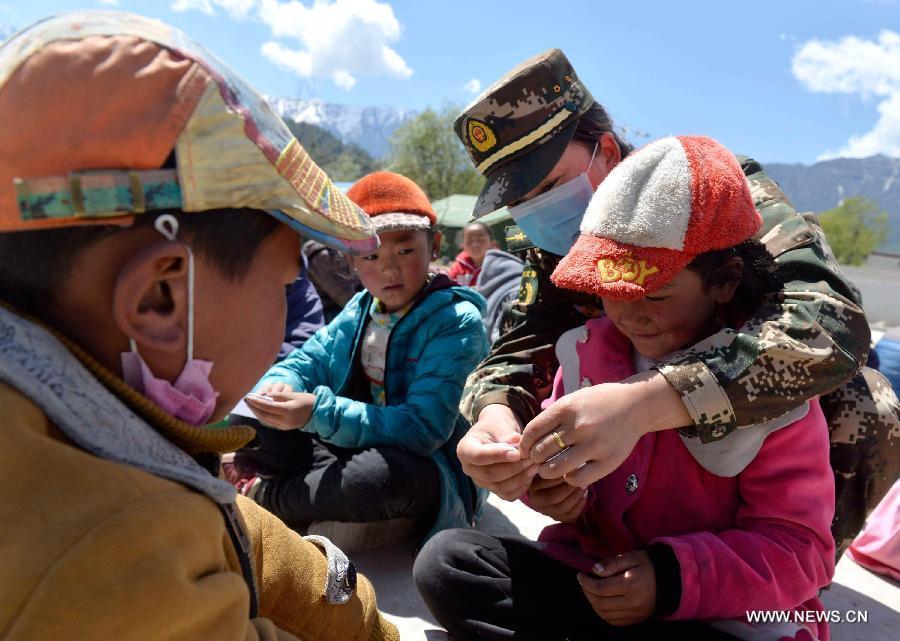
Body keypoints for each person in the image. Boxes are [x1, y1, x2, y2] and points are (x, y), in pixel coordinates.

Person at [0, 12, 399, 641]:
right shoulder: (115, 558)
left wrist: (354, 616)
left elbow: (230, 524)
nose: (294, 298)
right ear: (163, 296)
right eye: (284, 282)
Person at [451, 49, 899, 555]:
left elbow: (829, 327)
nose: (537, 213)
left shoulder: (713, 191)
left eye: (549, 187)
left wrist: (651, 401)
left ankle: (779, 572)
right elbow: (517, 350)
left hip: (751, 436)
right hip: (630, 490)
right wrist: (497, 422)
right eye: (519, 204)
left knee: (869, 405)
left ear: (607, 152)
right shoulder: (552, 249)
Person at [416, 136, 836, 641]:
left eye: (656, 292)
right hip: (598, 586)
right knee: (450, 562)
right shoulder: (585, 351)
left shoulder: (776, 391)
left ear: (724, 281)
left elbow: (802, 552)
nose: (630, 313)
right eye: (610, 292)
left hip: (717, 613)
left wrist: (671, 578)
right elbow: (567, 485)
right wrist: (548, 487)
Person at [238, 172, 490, 551]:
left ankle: (264, 499)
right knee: (250, 420)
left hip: (427, 463)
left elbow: (425, 429)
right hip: (355, 442)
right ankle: (325, 501)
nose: (389, 270)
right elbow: (310, 358)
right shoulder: (361, 307)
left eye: (405, 251)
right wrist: (281, 384)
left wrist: (316, 414)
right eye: (371, 256)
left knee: (377, 480)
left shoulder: (455, 321)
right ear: (350, 261)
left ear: (434, 246)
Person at [448, 221, 494, 286]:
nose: (475, 245)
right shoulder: (457, 268)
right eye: (469, 240)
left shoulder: (501, 266)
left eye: (480, 239)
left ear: (491, 242)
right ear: (462, 244)